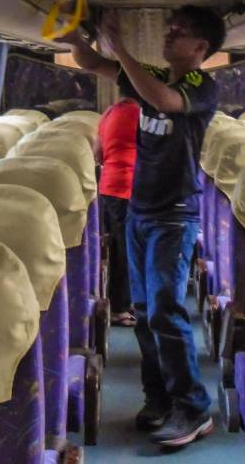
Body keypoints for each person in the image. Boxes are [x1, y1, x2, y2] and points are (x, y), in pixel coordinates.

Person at [57, 6, 225, 449]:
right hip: (139, 210)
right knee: (147, 314)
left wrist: (123, 51)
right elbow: (94, 64)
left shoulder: (200, 86)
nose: (169, 36)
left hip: (175, 213)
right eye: (169, 29)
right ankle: (159, 398)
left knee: (167, 310)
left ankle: (192, 407)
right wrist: (79, 41)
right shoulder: (151, 74)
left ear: (201, 48)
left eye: (179, 32)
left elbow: (165, 101)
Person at [95, 96, 140, 327]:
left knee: (117, 246)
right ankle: (122, 307)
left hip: (110, 186)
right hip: (133, 186)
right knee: (128, 249)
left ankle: (122, 303)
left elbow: (98, 153)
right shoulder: (145, 114)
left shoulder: (110, 113)